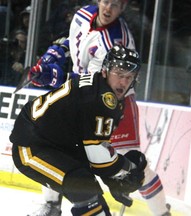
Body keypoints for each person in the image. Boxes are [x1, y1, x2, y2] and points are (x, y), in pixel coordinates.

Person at [27, 0, 171, 216]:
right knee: (54, 143)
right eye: (105, 1)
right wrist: (53, 54)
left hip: (114, 102)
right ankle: (51, 205)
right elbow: (73, 41)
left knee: (131, 164)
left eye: (115, 5)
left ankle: (162, 212)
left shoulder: (113, 42)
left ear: (122, 8)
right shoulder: (83, 15)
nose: (108, 8)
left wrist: (53, 76)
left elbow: (94, 85)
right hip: (84, 96)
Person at [10, 45, 147, 216]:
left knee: (88, 192)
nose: (123, 82)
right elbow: (98, 159)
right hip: (31, 147)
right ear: (105, 70)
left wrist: (114, 176)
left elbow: (94, 147)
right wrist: (128, 168)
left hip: (57, 144)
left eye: (129, 77)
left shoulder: (101, 89)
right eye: (119, 74)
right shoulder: (103, 99)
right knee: (84, 189)